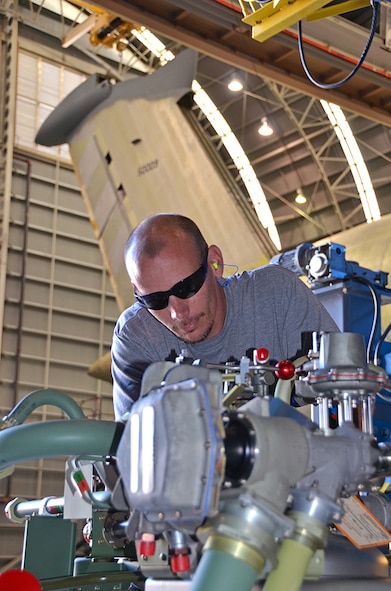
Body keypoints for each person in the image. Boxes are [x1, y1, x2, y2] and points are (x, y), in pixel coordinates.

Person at [111, 213, 338, 419]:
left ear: (214, 262)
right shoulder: (136, 337)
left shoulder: (278, 294)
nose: (178, 312)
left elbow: (345, 393)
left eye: (187, 288)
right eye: (155, 300)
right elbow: (135, 449)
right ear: (138, 292)